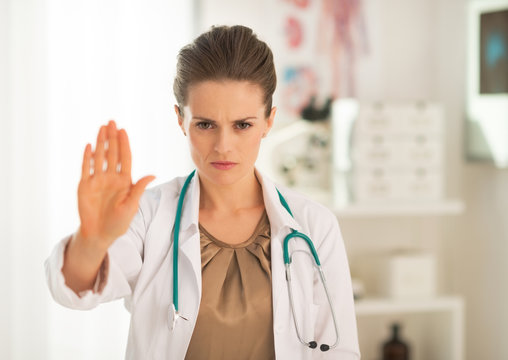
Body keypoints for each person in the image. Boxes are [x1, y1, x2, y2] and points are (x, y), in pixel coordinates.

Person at [45, 25, 360, 360]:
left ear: (269, 122)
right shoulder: (147, 215)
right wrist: (93, 238)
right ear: (180, 120)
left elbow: (337, 350)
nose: (223, 146)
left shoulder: (313, 225)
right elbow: (75, 291)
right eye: (205, 124)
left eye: (243, 125)